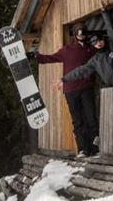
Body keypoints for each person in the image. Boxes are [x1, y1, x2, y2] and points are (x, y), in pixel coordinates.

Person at [27, 22, 98, 157]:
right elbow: (50, 58)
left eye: (82, 32)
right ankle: (83, 149)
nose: (81, 35)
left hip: (87, 87)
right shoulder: (67, 50)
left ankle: (95, 148)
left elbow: (101, 57)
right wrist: (35, 56)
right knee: (78, 120)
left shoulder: (91, 49)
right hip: (71, 90)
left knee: (91, 118)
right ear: (74, 35)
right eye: (78, 33)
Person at [54, 7, 113, 88]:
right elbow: (80, 71)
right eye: (95, 42)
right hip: (112, 87)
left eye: (99, 40)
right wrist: (64, 79)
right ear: (93, 45)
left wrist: (104, 12)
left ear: (104, 39)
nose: (98, 43)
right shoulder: (95, 60)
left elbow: (110, 28)